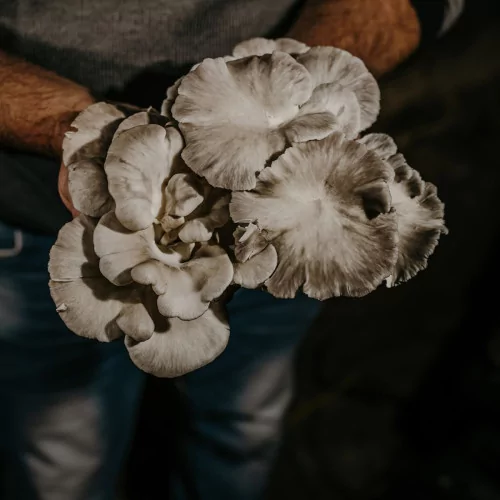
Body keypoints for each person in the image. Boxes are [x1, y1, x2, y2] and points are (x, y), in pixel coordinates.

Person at [0, 1, 464, 499]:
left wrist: (300, 85)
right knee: (60, 459)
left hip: (284, 245)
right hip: (42, 215)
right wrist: (66, 124)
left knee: (244, 425)